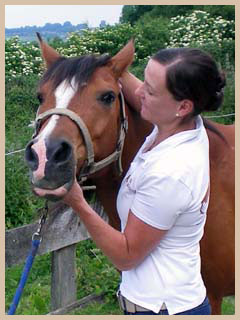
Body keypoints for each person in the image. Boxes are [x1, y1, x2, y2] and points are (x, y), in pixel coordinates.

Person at [62, 47, 226, 315]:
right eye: (143, 81)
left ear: (182, 106)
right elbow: (127, 82)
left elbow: (126, 256)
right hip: (164, 302)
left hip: (161, 308)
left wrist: (79, 203)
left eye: (149, 90)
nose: (137, 92)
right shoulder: (180, 125)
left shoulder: (171, 172)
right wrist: (107, 65)